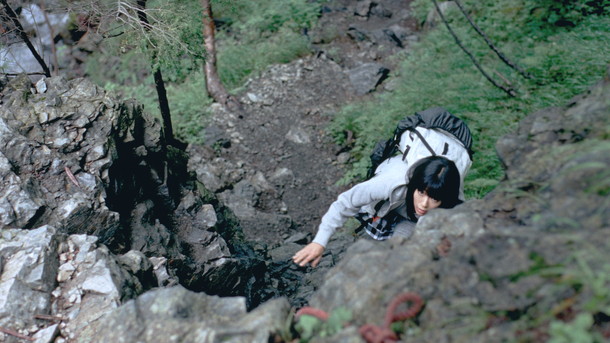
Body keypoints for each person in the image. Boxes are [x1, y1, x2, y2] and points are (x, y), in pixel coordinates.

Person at [292, 155, 462, 267]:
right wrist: (319, 242)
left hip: (411, 220)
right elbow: (345, 203)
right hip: (387, 206)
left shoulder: (452, 203)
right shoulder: (386, 184)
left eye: (434, 198)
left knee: (398, 255)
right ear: (414, 185)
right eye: (421, 193)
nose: (424, 204)